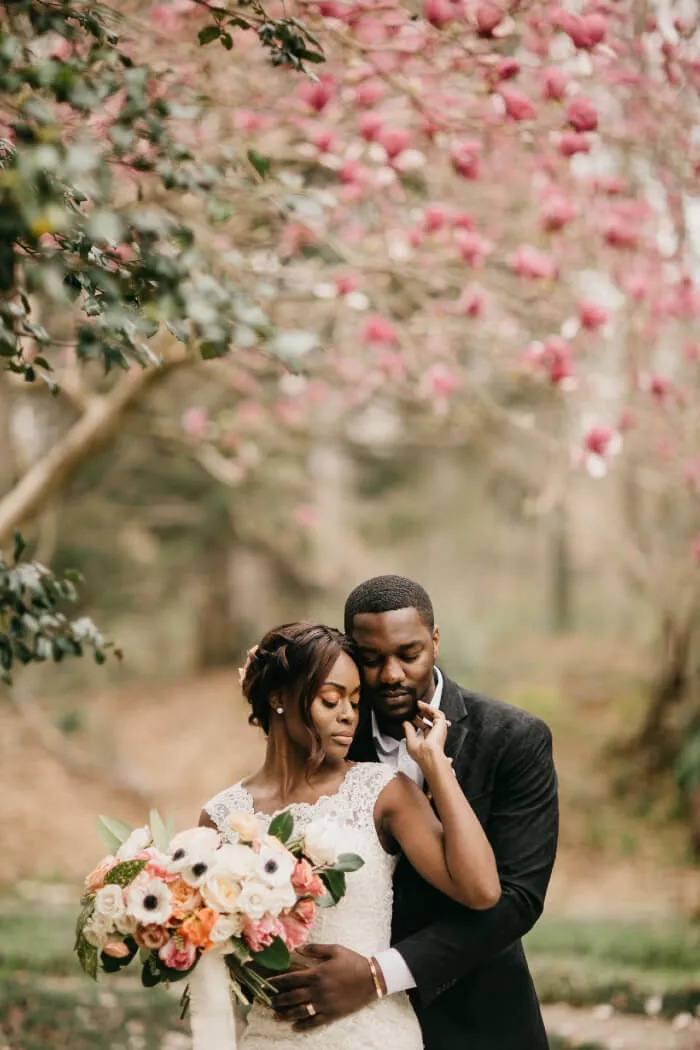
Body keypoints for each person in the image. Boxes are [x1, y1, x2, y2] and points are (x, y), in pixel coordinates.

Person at [272, 577, 559, 1050]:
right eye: (370, 659)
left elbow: (518, 899)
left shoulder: (514, 739)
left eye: (409, 654)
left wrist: (378, 974)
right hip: (340, 1022)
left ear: (435, 642)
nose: (390, 674)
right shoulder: (326, 734)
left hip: (480, 1015)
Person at [200, 621, 501, 1050]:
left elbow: (481, 889)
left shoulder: (383, 792)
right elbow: (212, 950)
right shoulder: (220, 816)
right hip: (270, 1037)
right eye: (331, 699)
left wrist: (435, 763)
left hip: (373, 1035)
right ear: (278, 698)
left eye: (356, 702)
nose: (348, 715)